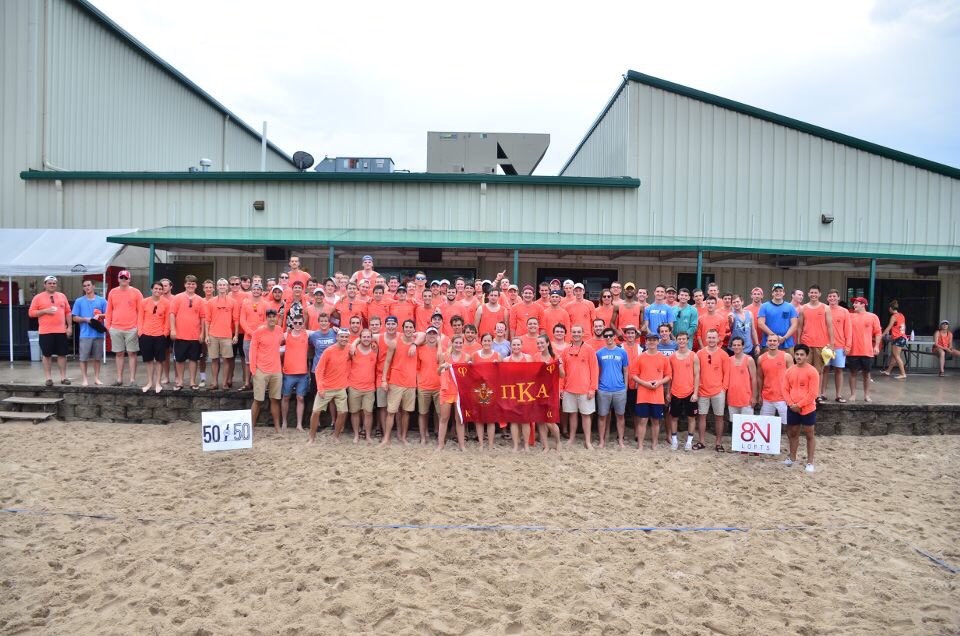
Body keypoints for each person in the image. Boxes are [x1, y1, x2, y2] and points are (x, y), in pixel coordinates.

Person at [381, 319, 419, 447]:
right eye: (406, 327)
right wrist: (384, 380)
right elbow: (387, 361)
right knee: (391, 411)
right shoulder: (394, 342)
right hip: (396, 381)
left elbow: (425, 335)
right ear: (403, 329)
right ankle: (386, 438)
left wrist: (414, 344)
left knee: (406, 412)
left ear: (414, 329)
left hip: (410, 383)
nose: (408, 329)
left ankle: (403, 437)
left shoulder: (417, 342)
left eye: (411, 327)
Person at [782, 344, 820, 473]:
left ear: (807, 356)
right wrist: (791, 404)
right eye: (797, 354)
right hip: (792, 407)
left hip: (807, 408)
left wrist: (799, 405)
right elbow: (785, 389)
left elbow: (813, 393)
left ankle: (810, 462)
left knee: (809, 434)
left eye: (801, 354)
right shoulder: (789, 371)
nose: (799, 357)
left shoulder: (812, 371)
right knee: (793, 433)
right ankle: (792, 458)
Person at [29, 276, 73, 386]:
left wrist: (69, 326)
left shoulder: (62, 296)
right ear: (45, 285)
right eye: (49, 283)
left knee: (62, 354)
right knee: (46, 354)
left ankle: (63, 377)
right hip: (45, 331)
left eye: (54, 283)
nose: (52, 285)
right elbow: (31, 313)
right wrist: (45, 311)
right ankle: (48, 378)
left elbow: (68, 312)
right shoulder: (38, 297)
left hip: (60, 331)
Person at [630, 333, 671, 451]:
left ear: (658, 342)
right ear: (646, 342)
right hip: (643, 394)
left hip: (657, 395)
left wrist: (659, 382)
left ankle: (654, 444)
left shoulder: (663, 358)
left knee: (656, 420)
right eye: (649, 340)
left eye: (654, 340)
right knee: (642, 420)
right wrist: (645, 383)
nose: (652, 342)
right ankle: (640, 445)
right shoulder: (640, 357)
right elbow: (633, 375)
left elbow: (668, 375)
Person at [309, 329, 351, 443]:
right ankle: (311, 438)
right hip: (326, 387)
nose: (344, 339)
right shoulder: (329, 351)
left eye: (346, 337)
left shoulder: (349, 348)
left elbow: (359, 343)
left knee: (343, 412)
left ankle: (336, 436)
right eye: (341, 337)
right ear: (337, 337)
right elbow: (318, 370)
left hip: (341, 387)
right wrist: (320, 388)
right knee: (316, 412)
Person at [562, 325, 599, 449]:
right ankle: (571, 438)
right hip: (569, 388)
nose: (576, 334)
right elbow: (562, 372)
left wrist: (592, 388)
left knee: (586, 415)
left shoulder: (589, 349)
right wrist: (561, 388)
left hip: (585, 389)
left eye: (579, 332)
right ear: (570, 334)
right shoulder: (565, 350)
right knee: (572, 414)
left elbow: (594, 370)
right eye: (574, 332)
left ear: (583, 333)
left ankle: (587, 441)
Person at [104, 269, 142, 386]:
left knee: (132, 353)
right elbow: (109, 310)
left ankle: (132, 380)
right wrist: (108, 326)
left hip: (132, 328)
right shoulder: (112, 292)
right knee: (119, 354)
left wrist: (139, 328)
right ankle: (119, 379)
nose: (124, 280)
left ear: (129, 279)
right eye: (122, 278)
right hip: (116, 328)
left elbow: (141, 311)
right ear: (118, 279)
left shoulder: (136, 292)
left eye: (126, 278)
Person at [797, 284, 835, 400]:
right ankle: (805, 394)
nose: (813, 295)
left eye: (815, 293)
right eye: (811, 293)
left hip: (821, 344)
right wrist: (799, 343)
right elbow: (800, 327)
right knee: (804, 370)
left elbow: (830, 327)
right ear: (808, 294)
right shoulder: (803, 308)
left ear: (819, 294)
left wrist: (832, 344)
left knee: (819, 371)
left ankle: (817, 394)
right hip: (806, 344)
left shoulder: (825, 308)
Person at [249, 309, 283, 432]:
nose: (272, 319)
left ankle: (277, 427)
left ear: (276, 318)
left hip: (276, 370)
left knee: (275, 399)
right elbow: (252, 352)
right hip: (261, 370)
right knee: (258, 400)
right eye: (269, 317)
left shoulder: (280, 330)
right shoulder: (258, 332)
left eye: (274, 317)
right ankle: (251, 427)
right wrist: (253, 370)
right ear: (266, 318)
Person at [696, 329, 730, 452]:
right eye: (709, 337)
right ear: (706, 338)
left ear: (718, 339)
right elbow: (696, 372)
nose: (711, 340)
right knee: (702, 416)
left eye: (713, 338)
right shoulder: (699, 353)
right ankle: (701, 441)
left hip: (718, 390)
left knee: (719, 417)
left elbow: (727, 373)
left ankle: (718, 443)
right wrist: (698, 386)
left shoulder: (723, 354)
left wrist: (724, 388)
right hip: (703, 390)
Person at [170, 275, 206, 390]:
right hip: (180, 335)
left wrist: (202, 333)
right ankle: (180, 381)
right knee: (179, 360)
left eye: (193, 284)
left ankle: (192, 381)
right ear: (185, 284)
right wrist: (173, 329)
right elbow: (172, 314)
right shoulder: (177, 297)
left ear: (196, 285)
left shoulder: (200, 300)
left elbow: (203, 318)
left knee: (193, 359)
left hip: (195, 336)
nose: (191, 286)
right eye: (189, 283)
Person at [596, 327, 629, 449]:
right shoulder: (599, 353)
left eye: (610, 335)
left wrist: (625, 387)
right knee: (602, 416)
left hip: (619, 389)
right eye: (606, 336)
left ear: (615, 336)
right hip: (603, 389)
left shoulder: (622, 352)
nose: (608, 338)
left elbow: (626, 370)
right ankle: (601, 441)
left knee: (620, 416)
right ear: (604, 338)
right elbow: (596, 371)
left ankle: (620, 440)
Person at [469, 332, 502, 450]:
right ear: (481, 342)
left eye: (489, 341)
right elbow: (470, 370)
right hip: (478, 391)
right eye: (485, 341)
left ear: (492, 342)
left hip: (492, 391)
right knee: (479, 418)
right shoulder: (475, 355)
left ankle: (491, 444)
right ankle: (481, 444)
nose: (487, 343)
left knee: (490, 419)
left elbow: (502, 374)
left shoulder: (497, 355)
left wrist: (498, 366)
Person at [71, 279, 107, 386]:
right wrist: (85, 319)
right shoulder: (79, 301)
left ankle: (96, 378)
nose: (87, 287)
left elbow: (109, 314)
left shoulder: (102, 301)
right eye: (85, 286)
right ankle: (85, 379)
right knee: (83, 358)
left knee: (97, 358)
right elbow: (74, 318)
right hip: (85, 334)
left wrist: (100, 316)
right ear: (83, 288)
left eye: (89, 285)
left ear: (93, 286)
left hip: (98, 333)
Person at [205, 279, 240, 390]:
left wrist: (236, 335)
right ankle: (214, 382)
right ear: (217, 287)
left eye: (224, 285)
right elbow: (207, 320)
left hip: (227, 335)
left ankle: (224, 383)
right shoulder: (210, 302)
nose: (222, 286)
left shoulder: (233, 302)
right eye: (220, 285)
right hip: (213, 334)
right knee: (214, 359)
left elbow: (236, 320)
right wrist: (206, 335)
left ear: (227, 287)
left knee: (226, 359)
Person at [846, 297, 882, 402]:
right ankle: (853, 394)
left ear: (863, 304)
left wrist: (876, 346)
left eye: (856, 303)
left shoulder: (873, 317)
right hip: (853, 350)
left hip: (867, 351)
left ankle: (867, 395)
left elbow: (878, 332)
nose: (854, 305)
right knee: (852, 373)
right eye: (854, 303)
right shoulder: (850, 316)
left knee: (867, 374)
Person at [137, 281, 170, 394]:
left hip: (160, 335)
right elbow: (140, 318)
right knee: (149, 360)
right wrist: (140, 332)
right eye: (156, 288)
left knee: (159, 360)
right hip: (146, 334)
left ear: (162, 291)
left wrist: (165, 333)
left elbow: (167, 320)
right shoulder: (144, 302)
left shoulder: (166, 303)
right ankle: (150, 382)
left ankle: (158, 383)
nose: (158, 291)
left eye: (160, 289)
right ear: (152, 289)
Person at [669, 332, 700, 451]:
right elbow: (670, 375)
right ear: (676, 341)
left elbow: (697, 375)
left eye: (683, 339)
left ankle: (689, 442)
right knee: (674, 417)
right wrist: (668, 392)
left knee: (691, 417)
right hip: (675, 391)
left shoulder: (693, 355)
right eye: (679, 339)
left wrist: (696, 393)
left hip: (690, 392)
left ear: (687, 340)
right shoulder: (672, 357)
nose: (681, 341)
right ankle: (675, 441)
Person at [436, 334, 467, 451]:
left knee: (459, 419)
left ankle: (462, 445)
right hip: (447, 390)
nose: (458, 345)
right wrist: (442, 367)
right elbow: (439, 372)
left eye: (460, 343)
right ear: (452, 344)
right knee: (444, 418)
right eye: (456, 343)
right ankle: (440, 444)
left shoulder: (466, 356)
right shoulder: (445, 356)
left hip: (460, 392)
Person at [534, 335, 565, 452]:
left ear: (548, 343)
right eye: (538, 343)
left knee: (551, 422)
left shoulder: (555, 356)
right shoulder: (535, 356)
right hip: (539, 392)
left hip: (551, 392)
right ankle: (545, 446)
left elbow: (562, 375)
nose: (540, 345)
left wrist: (558, 365)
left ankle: (558, 442)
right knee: (541, 421)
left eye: (542, 343)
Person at [348, 328, 378, 444]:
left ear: (371, 338)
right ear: (360, 338)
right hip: (354, 386)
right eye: (364, 337)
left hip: (369, 388)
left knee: (368, 412)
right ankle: (356, 434)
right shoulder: (353, 350)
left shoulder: (375, 350)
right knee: (354, 412)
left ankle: (368, 435)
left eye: (368, 337)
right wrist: (354, 343)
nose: (366, 339)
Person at [280, 314, 310, 432]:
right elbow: (275, 343)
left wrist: (335, 329)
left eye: (300, 323)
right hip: (289, 372)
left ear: (303, 323)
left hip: (302, 372)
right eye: (295, 322)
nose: (297, 325)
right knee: (286, 397)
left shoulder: (307, 334)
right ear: (292, 323)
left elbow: (321, 332)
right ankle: (284, 422)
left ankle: (299, 424)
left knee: (300, 398)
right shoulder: (286, 335)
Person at [757, 333, 793, 425]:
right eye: (770, 341)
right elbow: (760, 378)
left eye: (774, 341)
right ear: (766, 342)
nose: (772, 343)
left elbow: (793, 378)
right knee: (764, 425)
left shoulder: (786, 357)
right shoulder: (761, 358)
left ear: (778, 343)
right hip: (767, 398)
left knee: (789, 425)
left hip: (783, 398)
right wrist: (759, 395)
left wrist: (791, 395)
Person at [505, 337, 534, 452]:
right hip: (512, 393)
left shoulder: (528, 358)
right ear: (511, 346)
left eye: (518, 345)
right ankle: (516, 445)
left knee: (526, 420)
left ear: (521, 346)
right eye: (514, 345)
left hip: (526, 392)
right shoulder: (506, 360)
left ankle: (526, 445)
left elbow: (533, 374)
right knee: (514, 420)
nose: (516, 347)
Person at [823, 289, 852, 401]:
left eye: (834, 296)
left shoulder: (844, 311)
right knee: (824, 369)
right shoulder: (823, 309)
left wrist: (848, 346)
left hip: (840, 346)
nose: (832, 298)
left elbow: (848, 330)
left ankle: (838, 395)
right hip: (825, 346)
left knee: (839, 370)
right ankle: (823, 393)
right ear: (827, 298)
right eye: (830, 296)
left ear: (838, 298)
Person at [416, 327, 443, 445]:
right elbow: (416, 369)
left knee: (441, 414)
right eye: (429, 334)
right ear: (426, 336)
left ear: (438, 336)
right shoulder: (420, 350)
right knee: (423, 413)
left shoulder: (442, 350)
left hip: (439, 387)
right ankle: (423, 437)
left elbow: (440, 360)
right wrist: (418, 384)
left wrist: (440, 344)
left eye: (434, 334)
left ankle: (440, 437)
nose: (432, 336)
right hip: (424, 386)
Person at [238, 284, 267, 391]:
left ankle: (258, 383)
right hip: (248, 337)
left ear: (261, 291)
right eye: (254, 289)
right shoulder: (246, 303)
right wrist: (250, 332)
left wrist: (258, 332)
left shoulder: (265, 304)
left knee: (260, 361)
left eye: (258, 289)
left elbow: (267, 320)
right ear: (251, 291)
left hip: (261, 337)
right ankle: (247, 383)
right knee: (248, 361)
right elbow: (242, 320)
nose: (255, 291)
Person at [757, 283, 799, 354]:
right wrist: (774, 337)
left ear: (784, 293)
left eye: (780, 291)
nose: (778, 293)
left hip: (787, 344)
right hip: (769, 344)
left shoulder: (790, 307)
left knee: (788, 364)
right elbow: (760, 323)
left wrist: (784, 337)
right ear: (772, 293)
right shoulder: (764, 306)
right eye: (776, 291)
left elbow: (794, 325)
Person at [726, 336, 758, 418]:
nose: (736, 347)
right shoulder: (728, 360)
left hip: (746, 399)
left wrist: (754, 397)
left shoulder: (749, 360)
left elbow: (754, 379)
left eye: (738, 345)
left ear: (743, 346)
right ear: (732, 347)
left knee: (747, 425)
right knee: (734, 425)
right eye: (734, 345)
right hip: (732, 398)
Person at [880, 300, 908, 379]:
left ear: (891, 308)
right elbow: (902, 326)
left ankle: (903, 374)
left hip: (898, 338)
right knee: (894, 356)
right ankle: (888, 371)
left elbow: (889, 326)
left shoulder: (894, 316)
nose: (888, 310)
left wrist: (882, 335)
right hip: (902, 337)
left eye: (889, 308)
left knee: (896, 356)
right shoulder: (901, 315)